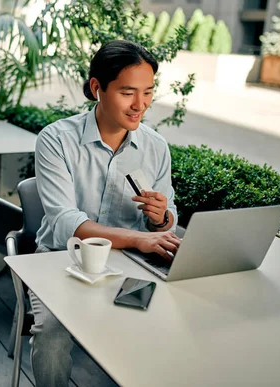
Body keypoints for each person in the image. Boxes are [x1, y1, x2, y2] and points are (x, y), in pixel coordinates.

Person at [30, 40, 182, 386]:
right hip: (61, 262)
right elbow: (67, 223)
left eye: (148, 92)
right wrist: (142, 238)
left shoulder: (156, 147)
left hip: (129, 267)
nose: (140, 105)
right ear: (97, 87)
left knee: (169, 321)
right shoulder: (56, 140)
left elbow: (168, 214)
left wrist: (160, 218)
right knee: (52, 334)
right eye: (128, 92)